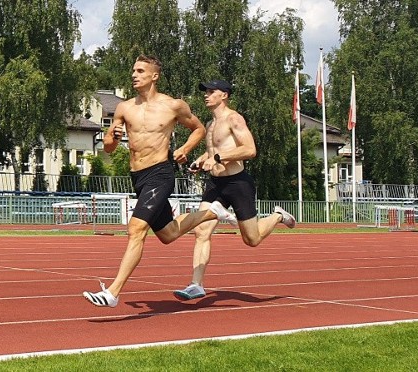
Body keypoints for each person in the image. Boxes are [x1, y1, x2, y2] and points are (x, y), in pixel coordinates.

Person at [82, 55, 237, 308]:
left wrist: (185, 148)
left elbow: (198, 128)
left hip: (160, 173)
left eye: (141, 70)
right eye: (133, 70)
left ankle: (113, 292)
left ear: (154, 76)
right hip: (137, 176)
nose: (134, 74)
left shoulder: (173, 105)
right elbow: (109, 148)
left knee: (136, 230)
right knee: (168, 234)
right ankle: (213, 212)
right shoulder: (124, 108)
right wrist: (112, 135)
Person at [172, 79, 296, 301]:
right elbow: (214, 153)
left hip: (238, 183)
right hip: (215, 184)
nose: (206, 95)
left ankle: (278, 215)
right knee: (201, 231)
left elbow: (249, 150)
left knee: (252, 239)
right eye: (206, 92)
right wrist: (201, 161)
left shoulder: (234, 119)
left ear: (224, 95)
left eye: (211, 92)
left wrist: (218, 158)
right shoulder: (210, 125)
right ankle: (196, 284)